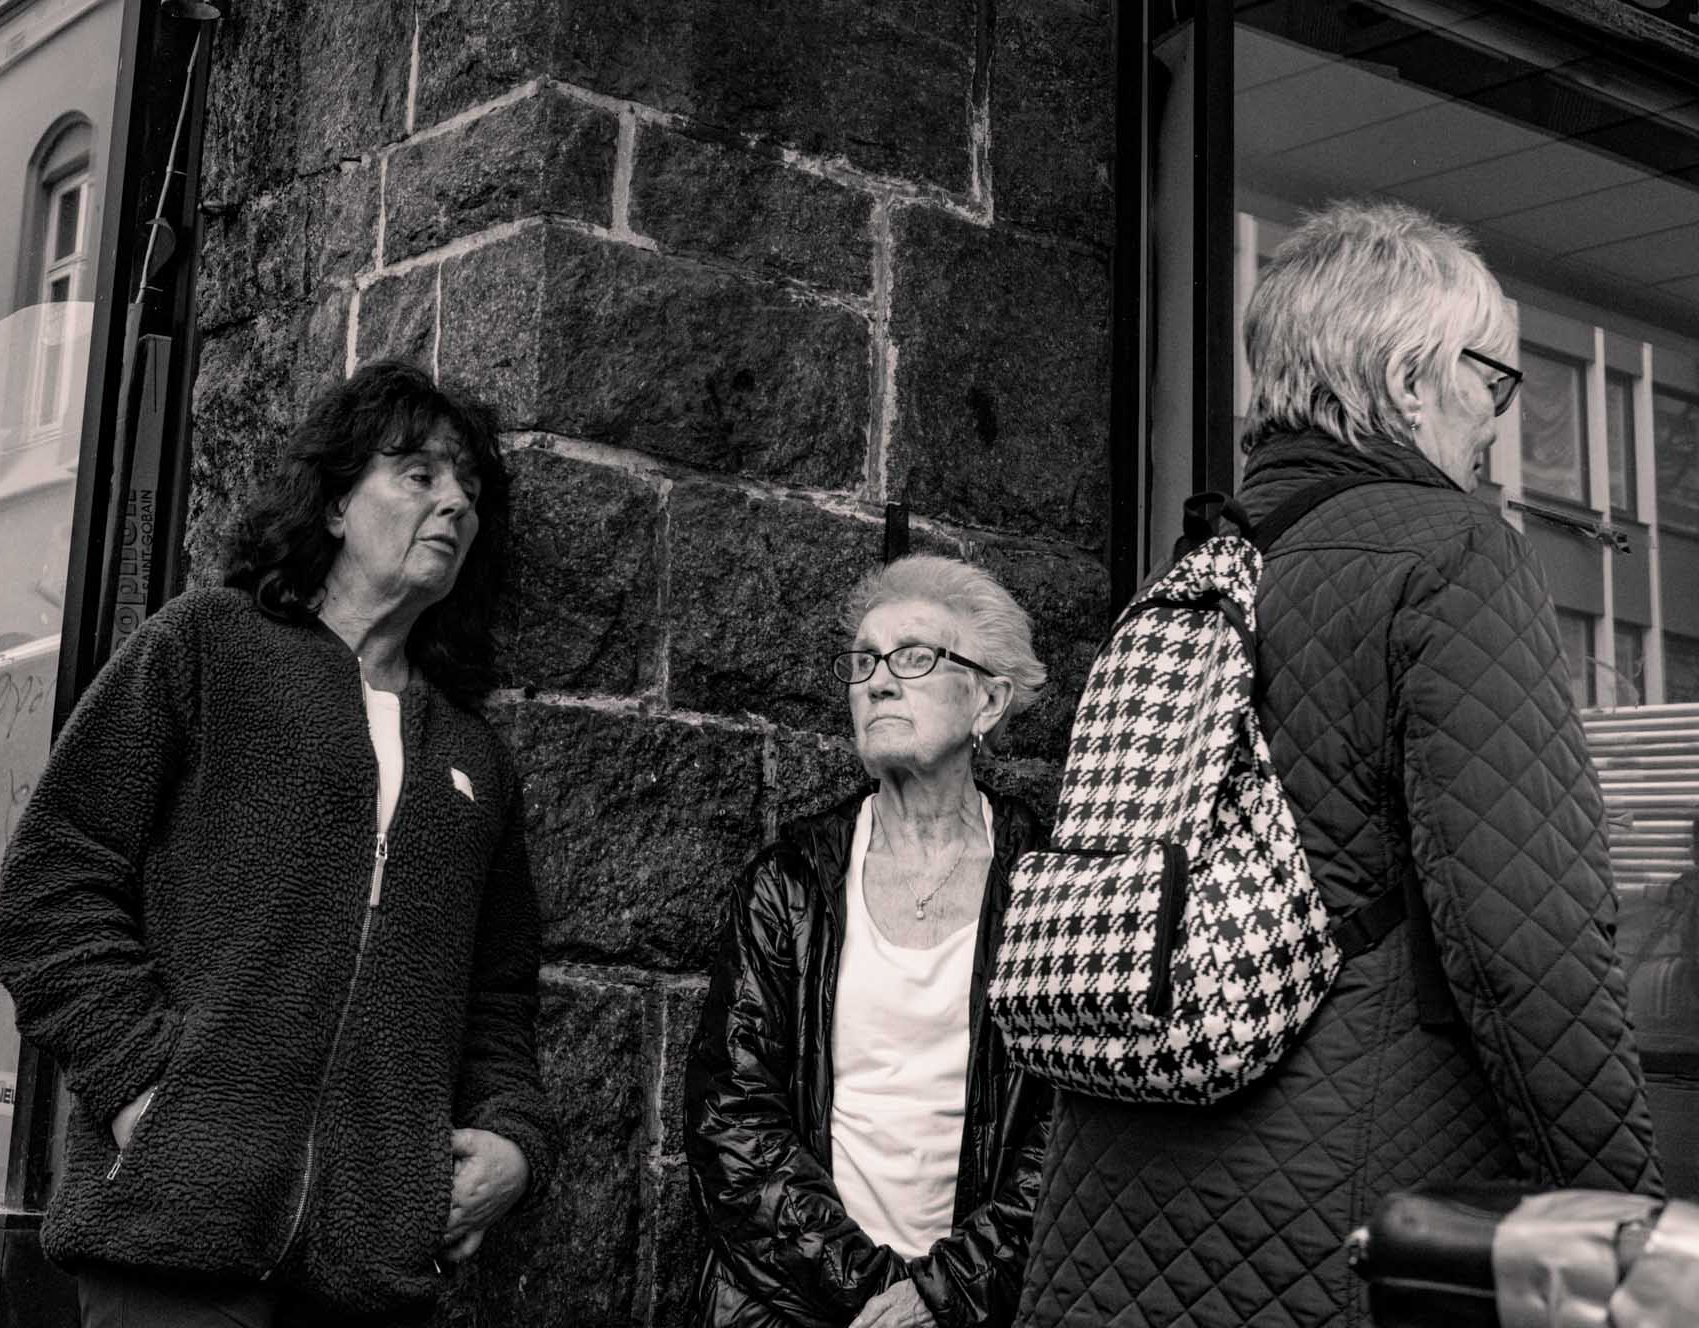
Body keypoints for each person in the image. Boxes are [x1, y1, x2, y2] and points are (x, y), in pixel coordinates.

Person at [1016, 199, 1662, 1328]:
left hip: (1105, 1214)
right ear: (1409, 380)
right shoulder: (1452, 554)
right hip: (1330, 1227)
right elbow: (1528, 945)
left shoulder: (1200, 569)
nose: (1494, 422)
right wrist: (1634, 1236)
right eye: (1492, 382)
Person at [0, 360, 550, 1327]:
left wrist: (512, 1142)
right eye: (418, 474)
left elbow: (497, 999)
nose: (454, 502)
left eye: (469, 487)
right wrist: (145, 1091)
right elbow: (52, 886)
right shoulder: (207, 648)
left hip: (369, 1274)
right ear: (337, 503)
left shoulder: (473, 757)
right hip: (174, 1246)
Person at [686, 553, 1055, 1328]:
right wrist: (873, 1295)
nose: (880, 681)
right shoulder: (789, 881)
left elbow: (1064, 1135)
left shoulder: (1047, 887)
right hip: (801, 1306)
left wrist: (938, 1295)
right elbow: (734, 1118)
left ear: (988, 700)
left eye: (915, 657)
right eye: (864, 663)